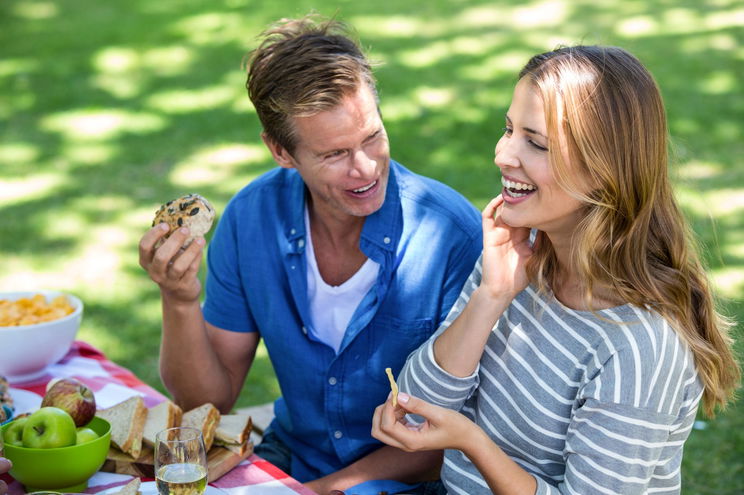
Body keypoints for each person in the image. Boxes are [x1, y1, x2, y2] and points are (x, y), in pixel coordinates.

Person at [372, 45, 740, 494]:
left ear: (606, 171)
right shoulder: (516, 260)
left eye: (536, 143)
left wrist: (472, 442)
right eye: (508, 129)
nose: (504, 155)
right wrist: (492, 295)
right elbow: (415, 412)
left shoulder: (639, 345)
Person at [138, 14, 482, 494]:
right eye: (334, 154)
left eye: (372, 137)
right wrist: (177, 299)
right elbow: (207, 400)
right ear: (281, 151)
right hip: (295, 458)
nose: (364, 169)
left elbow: (462, 432)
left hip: (414, 481)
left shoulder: (452, 236)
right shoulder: (251, 219)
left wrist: (325, 490)